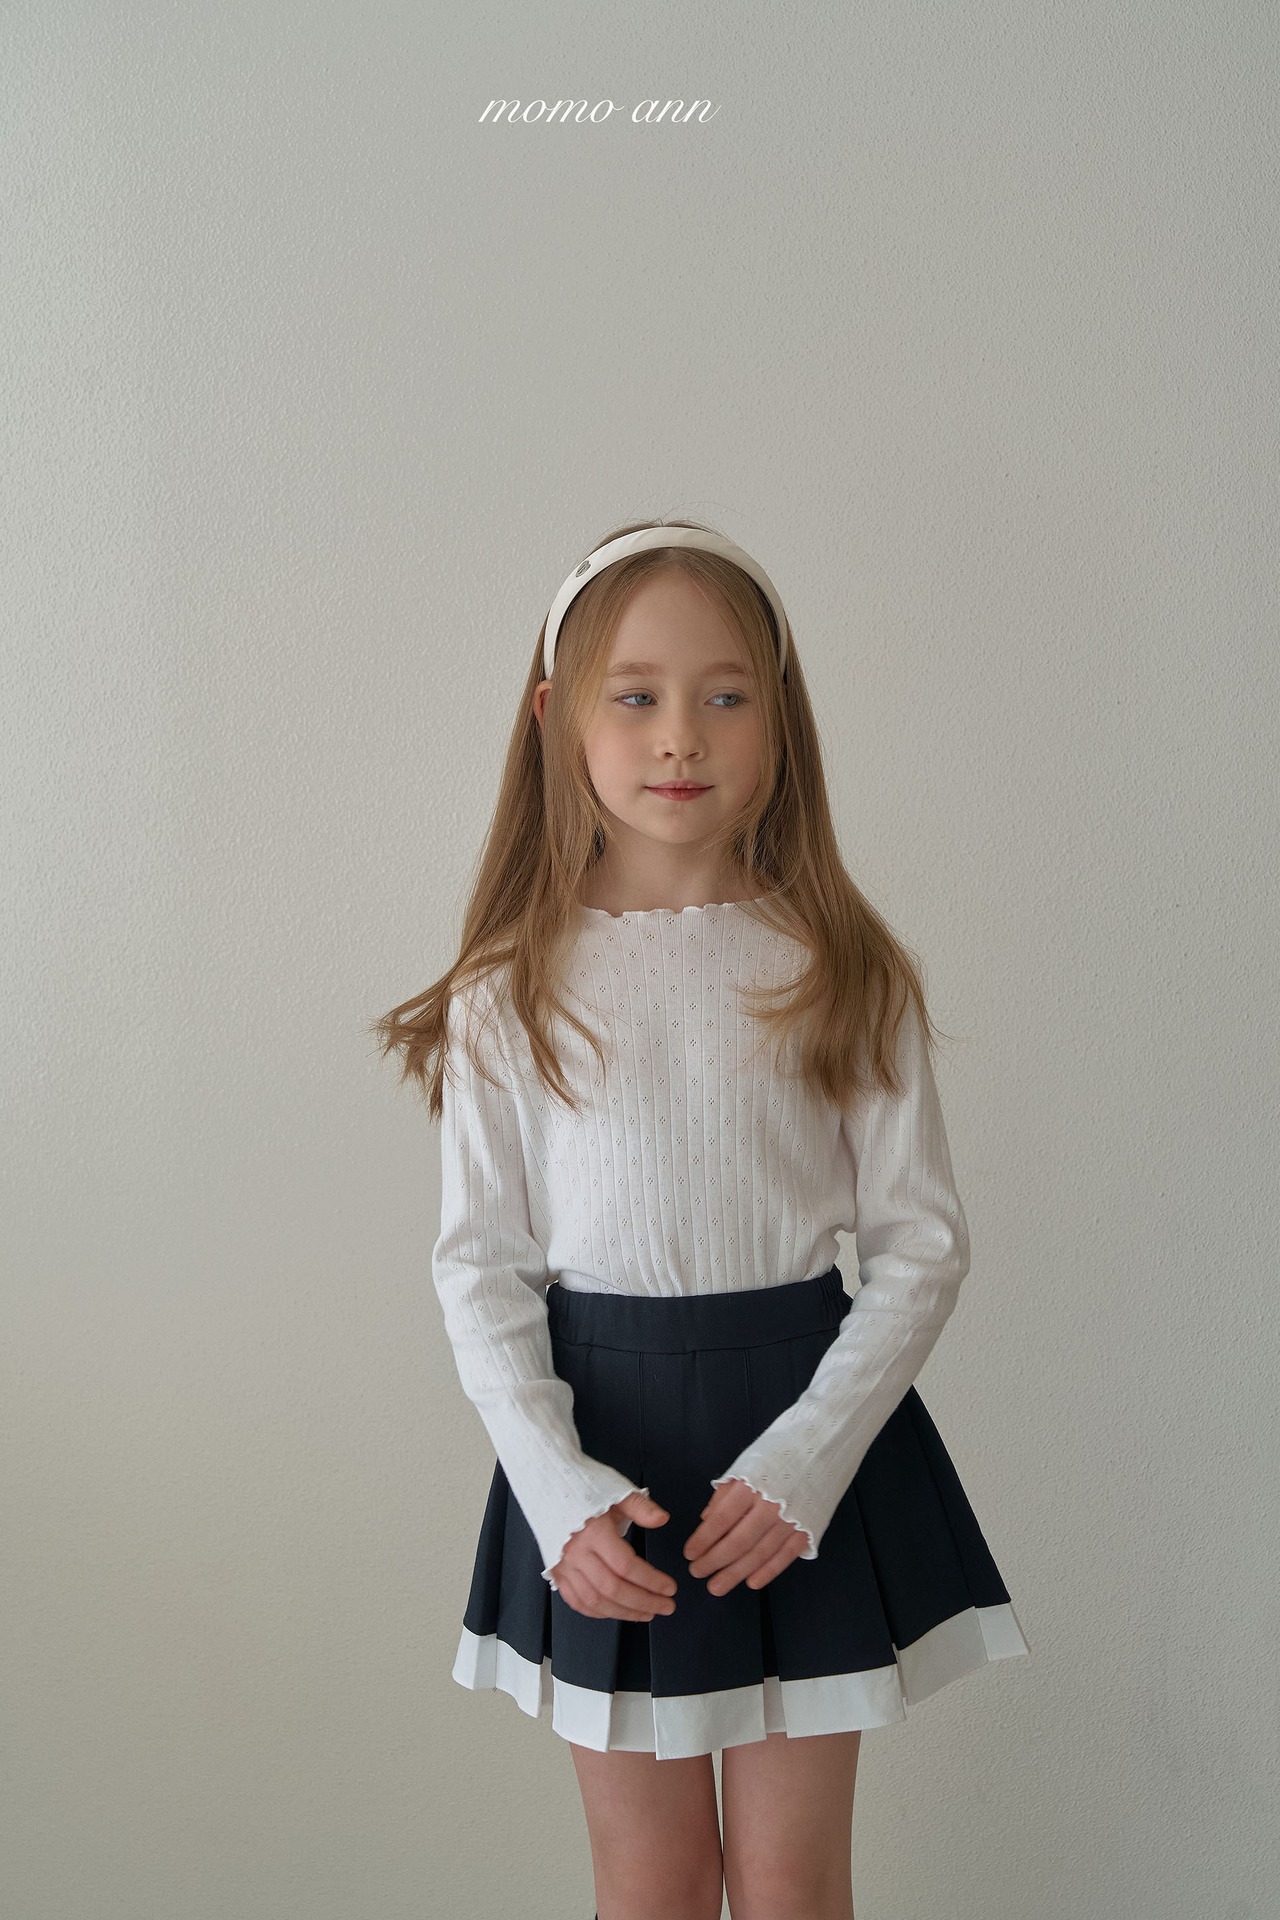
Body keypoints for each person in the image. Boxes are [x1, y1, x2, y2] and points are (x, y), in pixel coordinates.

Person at [374, 518, 1030, 1920]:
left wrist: (805, 1465)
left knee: (793, 1884)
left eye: (727, 695)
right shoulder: (506, 992)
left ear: (780, 718)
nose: (682, 735)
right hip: (602, 1470)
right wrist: (559, 1496)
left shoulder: (842, 969)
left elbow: (920, 1247)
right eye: (637, 694)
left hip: (802, 1469)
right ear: (555, 718)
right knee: (653, 1881)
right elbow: (481, 1271)